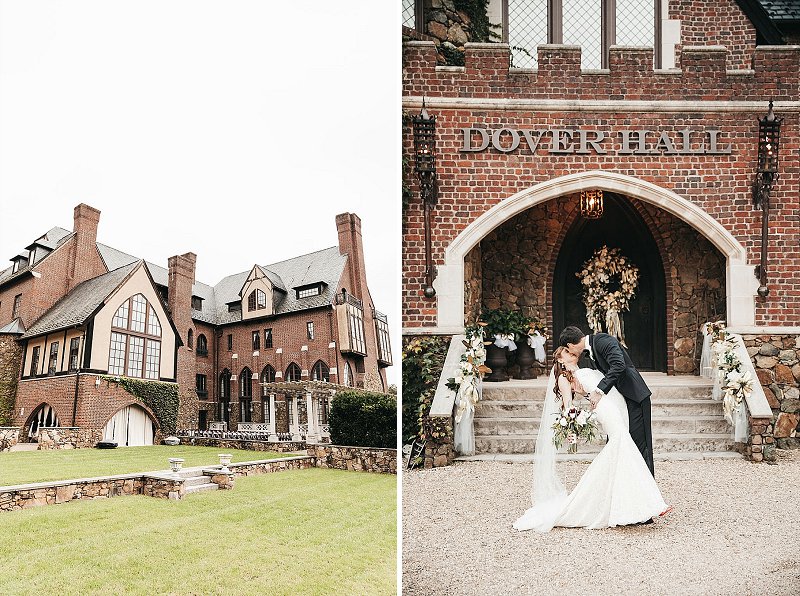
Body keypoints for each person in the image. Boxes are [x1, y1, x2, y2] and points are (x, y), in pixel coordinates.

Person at [513, 347, 670, 532]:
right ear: (560, 360)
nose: (572, 354)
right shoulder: (564, 378)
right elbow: (568, 406)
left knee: (620, 452)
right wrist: (572, 429)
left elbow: (593, 390)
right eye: (567, 353)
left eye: (571, 352)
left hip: (612, 407)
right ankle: (650, 503)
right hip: (606, 411)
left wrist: (587, 394)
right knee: (623, 446)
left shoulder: (582, 369)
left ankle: (633, 505)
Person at [559, 326, 655, 477]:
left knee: (640, 445)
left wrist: (598, 391)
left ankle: (648, 492)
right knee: (621, 445)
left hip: (635, 396)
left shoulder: (603, 340)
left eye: (568, 350)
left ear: (570, 345)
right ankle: (623, 485)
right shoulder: (590, 355)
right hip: (619, 402)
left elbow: (619, 364)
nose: (571, 353)